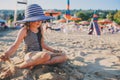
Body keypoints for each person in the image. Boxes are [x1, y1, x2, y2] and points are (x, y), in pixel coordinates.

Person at [0, 4, 67, 70]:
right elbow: (15, 45)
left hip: (40, 54)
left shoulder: (40, 29)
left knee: (63, 56)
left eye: (40, 19)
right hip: (29, 54)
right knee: (46, 56)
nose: (39, 22)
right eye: (36, 19)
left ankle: (37, 63)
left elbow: (42, 44)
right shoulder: (24, 30)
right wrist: (6, 54)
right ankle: (21, 66)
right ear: (29, 20)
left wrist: (54, 50)